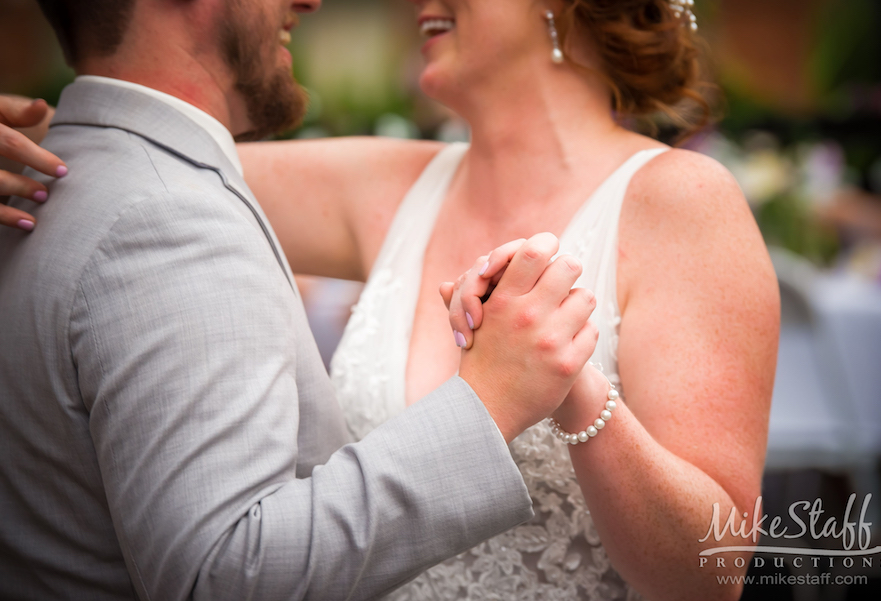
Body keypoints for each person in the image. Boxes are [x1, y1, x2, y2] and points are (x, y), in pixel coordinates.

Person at [1, 1, 780, 600]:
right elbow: (122, 170)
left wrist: (571, 387)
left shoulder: (683, 203)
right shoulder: (384, 185)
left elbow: (712, 571)